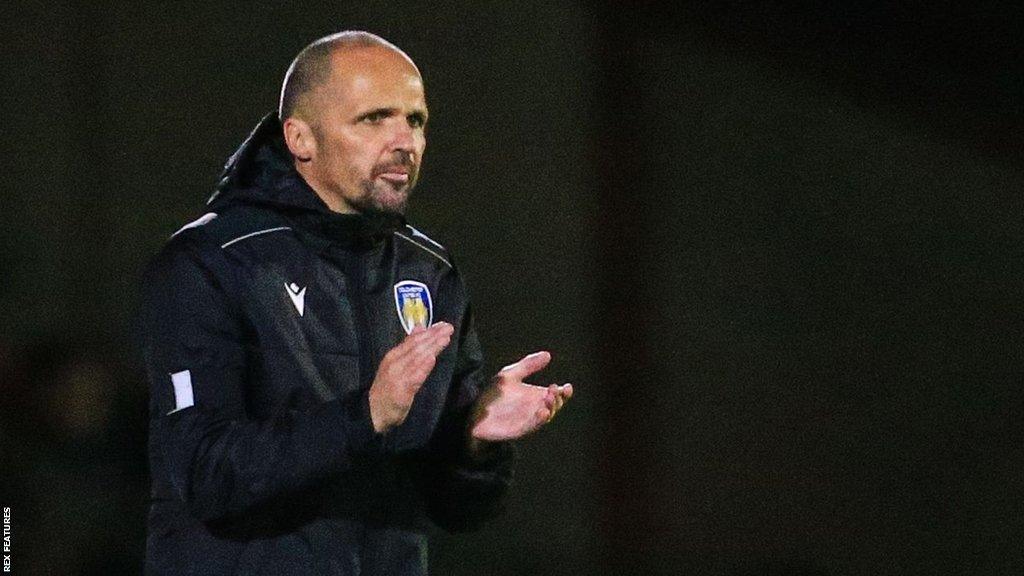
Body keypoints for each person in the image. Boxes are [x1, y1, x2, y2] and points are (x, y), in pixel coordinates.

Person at [138, 31, 573, 576]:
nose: (404, 141)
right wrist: (365, 417)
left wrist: (473, 442)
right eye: (374, 119)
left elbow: (456, 510)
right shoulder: (210, 263)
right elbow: (203, 474)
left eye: (415, 120)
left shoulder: (428, 272)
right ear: (300, 138)